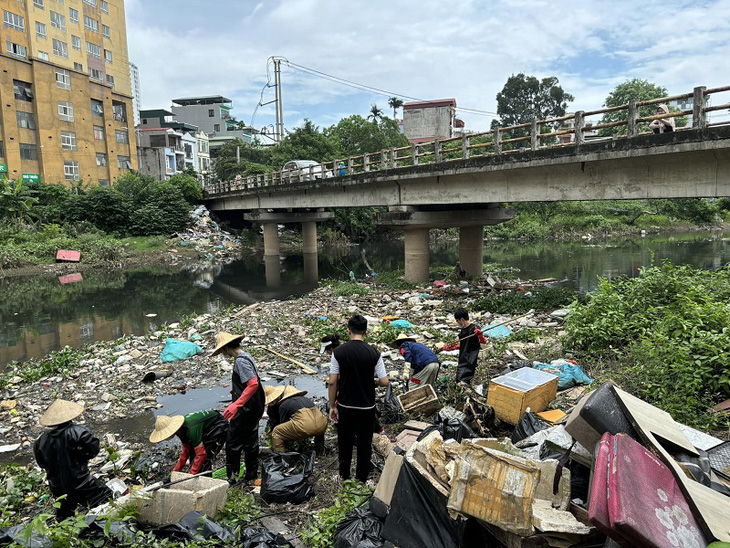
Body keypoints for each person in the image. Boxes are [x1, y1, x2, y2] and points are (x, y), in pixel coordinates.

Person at [328, 315, 389, 482]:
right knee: (364, 443)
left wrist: (332, 406)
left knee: (345, 442)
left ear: (349, 331)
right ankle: (361, 479)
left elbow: (332, 382)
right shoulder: (374, 353)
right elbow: (384, 381)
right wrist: (373, 380)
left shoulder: (338, 352)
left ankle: (343, 476)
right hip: (367, 407)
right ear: (366, 332)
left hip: (345, 406)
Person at [33, 399, 112, 520]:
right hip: (81, 481)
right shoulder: (79, 432)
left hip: (57, 486)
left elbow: (42, 463)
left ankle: (64, 532)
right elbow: (93, 450)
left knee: (64, 511)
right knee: (104, 497)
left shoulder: (41, 440)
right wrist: (80, 458)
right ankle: (99, 525)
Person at [211, 332, 265, 485]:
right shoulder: (247, 356)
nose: (223, 353)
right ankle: (251, 477)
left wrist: (237, 403)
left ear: (227, 347)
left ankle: (233, 480)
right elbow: (250, 381)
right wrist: (237, 391)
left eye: (223, 350)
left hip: (246, 409)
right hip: (255, 407)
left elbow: (253, 383)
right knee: (250, 441)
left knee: (233, 444)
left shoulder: (240, 361)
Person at [149, 410, 228, 475]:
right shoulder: (180, 430)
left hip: (218, 425)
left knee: (204, 459)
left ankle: (207, 482)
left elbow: (201, 454)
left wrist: (191, 474)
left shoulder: (190, 429)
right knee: (193, 455)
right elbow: (186, 450)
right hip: (205, 428)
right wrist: (175, 471)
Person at [265, 385, 327, 453]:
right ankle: (320, 450)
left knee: (277, 432)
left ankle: (281, 457)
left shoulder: (284, 405)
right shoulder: (305, 399)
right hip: (322, 424)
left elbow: (283, 424)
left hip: (306, 427)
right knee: (317, 428)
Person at [454, 308, 487, 384]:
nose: (457, 323)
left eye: (457, 321)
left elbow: (483, 342)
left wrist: (480, 335)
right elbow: (461, 343)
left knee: (463, 378)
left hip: (470, 357)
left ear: (462, 319)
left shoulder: (474, 328)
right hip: (463, 356)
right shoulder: (463, 330)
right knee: (460, 378)